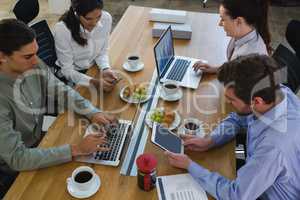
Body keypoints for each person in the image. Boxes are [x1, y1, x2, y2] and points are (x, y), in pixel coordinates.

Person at [0, 19, 116, 198]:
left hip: (38, 144)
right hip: (11, 167)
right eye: (27, 56)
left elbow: (61, 91)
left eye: (36, 53)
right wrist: (76, 149)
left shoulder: (34, 64)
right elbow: (17, 158)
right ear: (2, 56)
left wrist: (92, 112)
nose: (36, 61)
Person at [165, 54, 300, 199]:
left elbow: (236, 195)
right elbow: (239, 118)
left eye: (231, 100)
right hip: (255, 173)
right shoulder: (277, 92)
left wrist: (190, 166)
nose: (228, 103)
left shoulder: (273, 146)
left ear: (257, 101)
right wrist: (210, 141)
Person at [53, 0, 117, 91]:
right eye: (88, 19)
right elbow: (67, 70)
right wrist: (93, 82)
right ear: (77, 14)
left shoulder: (106, 19)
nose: (95, 23)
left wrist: (105, 68)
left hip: (91, 69)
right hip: (70, 75)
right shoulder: (62, 29)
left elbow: (102, 52)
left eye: (98, 16)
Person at [193, 0, 271, 73]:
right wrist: (216, 69)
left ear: (238, 21)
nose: (219, 24)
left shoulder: (248, 58)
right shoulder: (245, 33)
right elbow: (234, 66)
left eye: (223, 19)